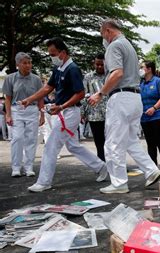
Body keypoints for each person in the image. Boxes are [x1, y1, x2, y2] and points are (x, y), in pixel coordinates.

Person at [21, 37, 107, 192]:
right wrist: (30, 99)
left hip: (69, 113)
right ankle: (101, 167)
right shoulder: (59, 68)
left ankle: (44, 181)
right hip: (63, 112)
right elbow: (48, 87)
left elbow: (80, 93)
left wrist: (61, 106)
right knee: (73, 146)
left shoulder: (73, 69)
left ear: (63, 52)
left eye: (53, 54)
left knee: (51, 146)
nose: (51, 57)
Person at [88, 19, 160, 194]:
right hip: (135, 98)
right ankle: (151, 170)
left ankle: (119, 183)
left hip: (120, 97)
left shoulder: (114, 46)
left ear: (107, 31)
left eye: (102, 34)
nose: (102, 38)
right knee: (130, 140)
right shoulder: (129, 46)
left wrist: (100, 93)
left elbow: (117, 73)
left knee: (113, 143)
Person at [3, 52, 44, 177]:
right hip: (17, 109)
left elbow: (41, 97)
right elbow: (8, 98)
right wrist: (8, 115)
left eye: (29, 63)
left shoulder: (36, 79)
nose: (28, 65)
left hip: (32, 110)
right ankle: (16, 167)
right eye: (24, 63)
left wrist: (42, 115)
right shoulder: (10, 78)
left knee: (31, 139)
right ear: (17, 64)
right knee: (17, 138)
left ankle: (29, 166)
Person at [139, 61, 160, 173]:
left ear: (149, 69)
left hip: (159, 116)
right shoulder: (140, 83)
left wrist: (154, 108)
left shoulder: (158, 81)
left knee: (159, 140)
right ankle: (152, 166)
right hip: (145, 118)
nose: (140, 69)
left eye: (142, 67)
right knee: (150, 143)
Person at [81, 53, 107, 161]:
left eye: (102, 64)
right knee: (99, 141)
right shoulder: (88, 77)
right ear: (94, 63)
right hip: (94, 114)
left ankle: (115, 165)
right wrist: (82, 112)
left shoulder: (110, 76)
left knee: (113, 141)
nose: (100, 67)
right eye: (97, 64)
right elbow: (83, 95)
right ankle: (102, 164)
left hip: (110, 113)